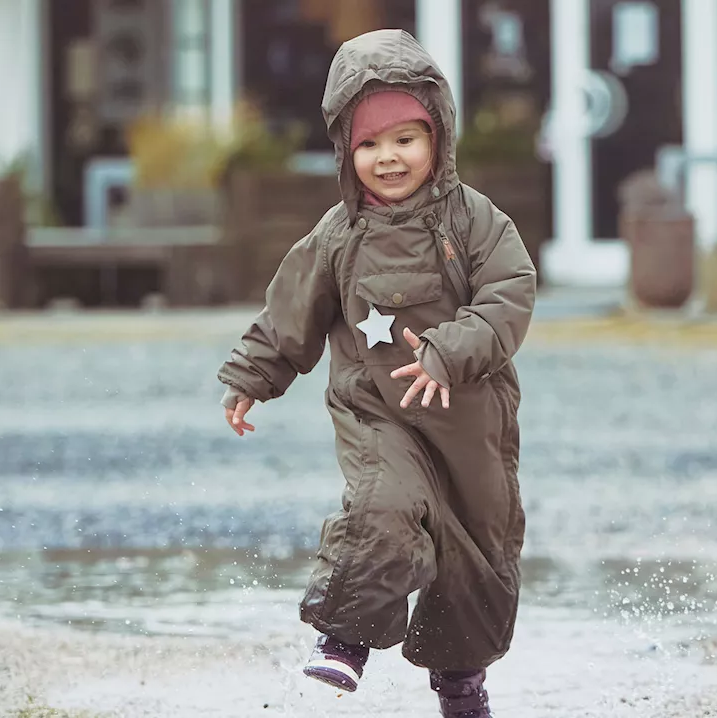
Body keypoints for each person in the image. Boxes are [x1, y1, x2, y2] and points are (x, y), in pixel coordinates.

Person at [215, 28, 536, 717]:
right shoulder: (338, 235)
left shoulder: (474, 221)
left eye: (404, 139)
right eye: (368, 145)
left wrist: (452, 348)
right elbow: (290, 311)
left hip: (467, 421)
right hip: (379, 410)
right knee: (382, 509)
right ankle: (345, 638)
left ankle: (460, 679)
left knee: (475, 555)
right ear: (344, 150)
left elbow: (511, 294)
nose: (387, 158)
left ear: (438, 135)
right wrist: (253, 372)